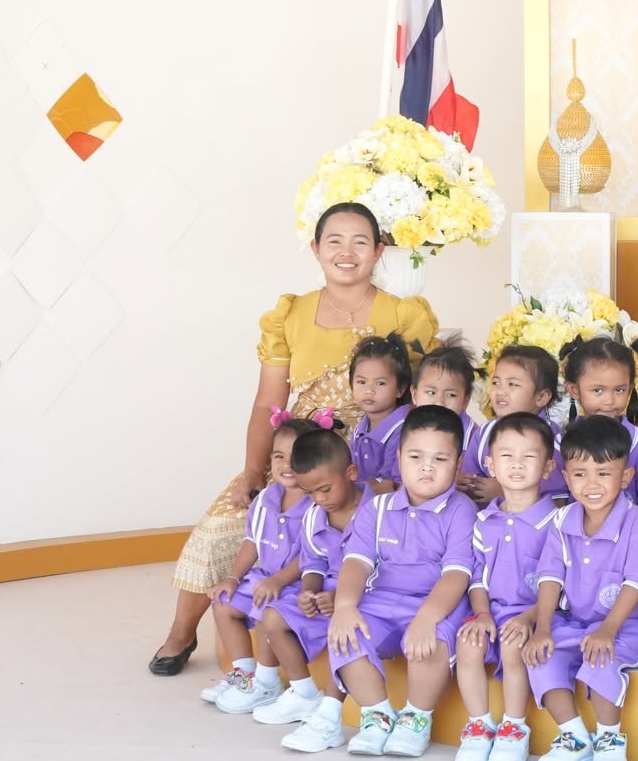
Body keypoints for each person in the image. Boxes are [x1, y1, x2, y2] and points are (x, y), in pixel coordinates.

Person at [149, 202, 437, 675]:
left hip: (367, 451)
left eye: (360, 242)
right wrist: (253, 471)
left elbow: (421, 397)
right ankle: (182, 634)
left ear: (379, 250)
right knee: (226, 519)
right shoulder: (290, 313)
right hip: (296, 450)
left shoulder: (404, 314)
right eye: (334, 241)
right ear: (316, 248)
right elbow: (268, 402)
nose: (347, 252)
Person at [325, 405, 476, 758]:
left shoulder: (461, 509)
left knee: (428, 644)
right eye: (415, 456)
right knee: (345, 635)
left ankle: (416, 719)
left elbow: (456, 574)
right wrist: (344, 607)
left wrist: (426, 618)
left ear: (458, 464)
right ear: (399, 457)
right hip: (383, 600)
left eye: (440, 458)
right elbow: (357, 562)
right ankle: (377, 715)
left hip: (434, 601)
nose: (427, 467)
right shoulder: (376, 509)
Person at [522, 415, 638, 761]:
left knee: (601, 660)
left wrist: (608, 630)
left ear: (625, 477)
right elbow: (550, 577)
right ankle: (575, 738)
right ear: (566, 478)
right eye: (580, 474)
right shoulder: (562, 519)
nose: (591, 484)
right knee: (540, 657)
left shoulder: (635, 520)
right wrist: (543, 628)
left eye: (604, 472)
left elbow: (636, 582)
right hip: (573, 621)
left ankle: (610, 739)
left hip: (624, 625)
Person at [454, 412, 561, 761]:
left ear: (548, 467)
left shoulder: (557, 522)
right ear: (490, 464)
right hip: (491, 610)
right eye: (506, 456)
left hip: (536, 614)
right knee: (467, 643)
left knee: (514, 646)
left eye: (529, 456)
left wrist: (530, 618)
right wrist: (482, 614)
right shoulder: (483, 520)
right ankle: (479, 725)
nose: (517, 464)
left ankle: (514, 727)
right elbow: (477, 577)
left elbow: (559, 583)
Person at [254, 428, 367, 752]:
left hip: (366, 596)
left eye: (325, 489)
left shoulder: (376, 512)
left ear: (351, 472)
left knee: (345, 629)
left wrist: (342, 600)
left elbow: (384, 569)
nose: (319, 499)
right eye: (310, 492)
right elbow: (313, 562)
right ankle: (305, 693)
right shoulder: (315, 515)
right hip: (325, 596)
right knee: (272, 616)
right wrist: (308, 592)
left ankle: (330, 719)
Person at [201, 417, 312, 714]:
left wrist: (278, 581)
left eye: (296, 457)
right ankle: (244, 675)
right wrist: (234, 578)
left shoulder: (317, 505)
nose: (286, 464)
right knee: (223, 603)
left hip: (298, 583)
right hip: (266, 577)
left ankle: (267, 682)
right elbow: (252, 541)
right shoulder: (265, 499)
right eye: (278, 456)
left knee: (266, 605)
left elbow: (313, 555)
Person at [561, 336, 638, 519]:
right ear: (574, 390)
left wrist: (635, 526)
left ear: (630, 389)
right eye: (598, 390)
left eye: (619, 390)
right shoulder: (562, 440)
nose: (609, 401)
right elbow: (556, 496)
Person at [463, 344, 562, 500]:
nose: (500, 391)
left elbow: (559, 501)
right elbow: (469, 480)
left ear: (541, 397)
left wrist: (505, 492)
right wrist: (465, 484)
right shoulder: (484, 433)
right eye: (496, 383)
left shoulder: (553, 441)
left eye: (513, 384)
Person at [348, 333, 416, 493]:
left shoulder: (405, 429)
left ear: (400, 389)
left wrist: (353, 492)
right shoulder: (360, 428)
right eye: (361, 382)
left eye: (380, 383)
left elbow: (392, 484)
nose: (369, 390)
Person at [413, 343, 483, 477]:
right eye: (431, 392)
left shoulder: (473, 437)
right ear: (415, 395)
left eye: (451, 395)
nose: (439, 402)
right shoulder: (408, 428)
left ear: (465, 401)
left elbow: (473, 479)